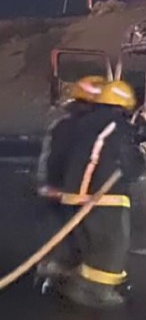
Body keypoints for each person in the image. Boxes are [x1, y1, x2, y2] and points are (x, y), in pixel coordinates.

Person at [52, 78, 146, 309]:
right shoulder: (116, 125)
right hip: (101, 197)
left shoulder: (85, 124)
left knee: (88, 245)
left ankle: (75, 281)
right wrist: (142, 162)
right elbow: (130, 161)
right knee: (112, 245)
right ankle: (97, 291)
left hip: (73, 195)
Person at [34, 75, 106, 283]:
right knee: (74, 239)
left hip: (62, 192)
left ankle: (57, 272)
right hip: (69, 193)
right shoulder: (86, 128)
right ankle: (59, 274)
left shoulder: (64, 125)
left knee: (67, 237)